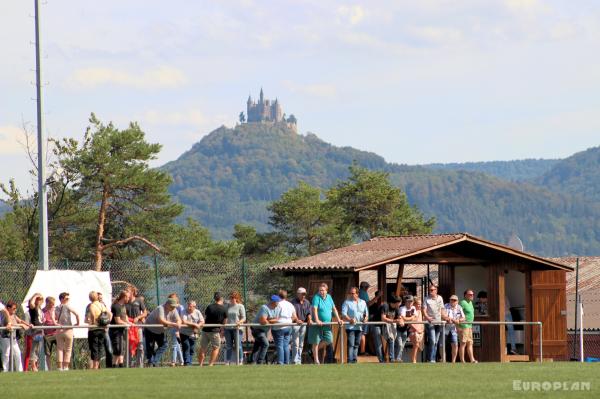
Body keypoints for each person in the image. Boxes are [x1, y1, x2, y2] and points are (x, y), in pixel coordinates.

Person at [309, 283, 343, 364]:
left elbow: (334, 309)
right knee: (316, 341)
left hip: (327, 324)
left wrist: (339, 319)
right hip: (316, 324)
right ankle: (316, 361)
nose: (321, 292)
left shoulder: (329, 297)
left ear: (326, 291)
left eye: (323, 290)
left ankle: (312, 351)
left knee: (329, 339)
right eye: (320, 290)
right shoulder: (316, 297)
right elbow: (314, 309)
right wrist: (317, 320)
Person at [144, 298, 180, 367]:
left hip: (160, 331)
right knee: (150, 347)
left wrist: (178, 323)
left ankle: (154, 361)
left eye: (174, 306)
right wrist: (174, 324)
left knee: (164, 345)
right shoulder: (160, 308)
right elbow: (161, 320)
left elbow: (178, 319)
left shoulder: (174, 309)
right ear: (167, 304)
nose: (173, 308)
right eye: (172, 306)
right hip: (150, 329)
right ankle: (151, 362)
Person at [198, 292, 228, 367]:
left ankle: (200, 364)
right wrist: (222, 329)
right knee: (216, 348)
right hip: (215, 331)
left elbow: (206, 317)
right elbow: (225, 322)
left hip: (205, 330)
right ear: (221, 299)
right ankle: (210, 364)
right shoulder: (224, 308)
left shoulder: (210, 307)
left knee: (203, 348)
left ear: (214, 298)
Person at [1, 300, 31, 372]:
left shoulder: (14, 315)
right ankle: (5, 370)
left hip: (13, 338)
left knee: (17, 353)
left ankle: (19, 370)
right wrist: (21, 325)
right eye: (13, 308)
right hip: (6, 338)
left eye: (15, 308)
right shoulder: (6, 315)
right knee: (6, 354)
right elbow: (11, 324)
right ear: (8, 308)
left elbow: (20, 320)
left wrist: (28, 324)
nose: (15, 310)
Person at [250, 295, 281, 364]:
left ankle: (251, 361)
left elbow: (277, 319)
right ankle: (260, 362)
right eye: (277, 301)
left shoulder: (277, 308)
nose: (278, 302)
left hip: (264, 330)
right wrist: (270, 320)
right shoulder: (264, 307)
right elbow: (262, 321)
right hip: (257, 329)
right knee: (265, 344)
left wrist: (268, 320)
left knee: (257, 345)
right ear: (273, 302)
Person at [85, 291, 112, 369]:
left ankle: (95, 366)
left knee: (94, 347)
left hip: (94, 329)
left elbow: (93, 314)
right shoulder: (101, 305)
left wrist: (93, 322)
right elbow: (109, 314)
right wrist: (107, 322)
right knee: (100, 347)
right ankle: (97, 365)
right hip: (102, 329)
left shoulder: (92, 305)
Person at [341, 287, 368, 363]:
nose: (351, 295)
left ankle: (354, 359)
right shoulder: (346, 302)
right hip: (350, 327)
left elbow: (366, 313)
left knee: (357, 344)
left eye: (353, 293)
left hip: (359, 327)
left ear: (357, 294)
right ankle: (350, 360)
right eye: (350, 293)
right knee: (351, 344)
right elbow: (343, 314)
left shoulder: (363, 302)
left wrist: (365, 318)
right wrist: (350, 319)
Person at [55, 292, 80, 371]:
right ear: (62, 299)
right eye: (66, 298)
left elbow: (55, 318)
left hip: (59, 329)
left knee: (59, 348)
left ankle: (59, 367)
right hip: (68, 328)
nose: (68, 300)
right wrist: (77, 323)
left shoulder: (56, 307)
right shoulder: (67, 306)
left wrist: (57, 324)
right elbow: (77, 314)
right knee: (68, 349)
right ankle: (66, 366)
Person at [272, 289, 297, 365]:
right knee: (286, 345)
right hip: (288, 326)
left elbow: (275, 316)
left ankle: (280, 362)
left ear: (278, 296)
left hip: (279, 326)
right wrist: (288, 320)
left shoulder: (278, 304)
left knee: (280, 345)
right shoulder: (290, 304)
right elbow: (295, 317)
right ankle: (287, 362)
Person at [125, 288, 147, 367]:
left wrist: (138, 317)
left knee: (140, 345)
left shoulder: (139, 301)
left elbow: (145, 313)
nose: (126, 292)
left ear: (132, 292)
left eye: (127, 291)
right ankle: (129, 365)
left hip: (138, 326)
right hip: (129, 327)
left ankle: (140, 365)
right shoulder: (125, 301)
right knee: (129, 346)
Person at [423, 284, 445, 363]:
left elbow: (442, 309)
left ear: (436, 290)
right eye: (430, 290)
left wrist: (445, 317)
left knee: (436, 341)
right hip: (430, 322)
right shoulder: (426, 299)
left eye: (432, 290)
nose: (431, 291)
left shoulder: (440, 298)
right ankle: (430, 358)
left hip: (438, 322)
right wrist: (427, 317)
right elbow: (424, 310)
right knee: (432, 340)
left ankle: (433, 358)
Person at [110, 290, 131, 367]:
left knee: (122, 349)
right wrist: (126, 324)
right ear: (124, 297)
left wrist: (129, 323)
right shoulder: (116, 306)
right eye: (128, 297)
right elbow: (118, 320)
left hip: (122, 331)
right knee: (117, 349)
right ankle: (114, 365)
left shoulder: (123, 306)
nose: (129, 298)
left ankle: (120, 365)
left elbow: (125, 318)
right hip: (115, 331)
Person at [290, 287, 312, 364]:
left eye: (304, 294)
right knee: (295, 343)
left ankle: (298, 361)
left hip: (303, 324)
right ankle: (294, 360)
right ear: (298, 294)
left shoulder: (307, 302)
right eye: (302, 294)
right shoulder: (292, 302)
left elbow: (309, 312)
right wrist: (296, 320)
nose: (303, 296)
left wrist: (309, 319)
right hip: (295, 324)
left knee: (301, 344)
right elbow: (291, 314)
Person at [24, 293, 44, 371]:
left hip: (40, 331)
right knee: (33, 349)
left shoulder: (40, 310)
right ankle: (33, 366)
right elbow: (31, 303)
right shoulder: (33, 309)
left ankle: (35, 365)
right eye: (38, 300)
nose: (39, 301)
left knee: (38, 349)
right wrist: (35, 295)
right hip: (34, 331)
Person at [225, 291, 246, 365]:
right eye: (231, 297)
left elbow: (244, 318)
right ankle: (227, 361)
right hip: (228, 329)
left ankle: (240, 360)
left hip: (237, 329)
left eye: (234, 297)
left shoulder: (240, 306)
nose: (232, 299)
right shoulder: (227, 306)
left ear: (237, 298)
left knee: (238, 345)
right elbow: (225, 317)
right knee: (228, 346)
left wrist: (239, 322)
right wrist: (223, 326)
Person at [180, 300, 204, 366]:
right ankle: (187, 363)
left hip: (193, 333)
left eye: (191, 306)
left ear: (194, 306)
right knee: (186, 347)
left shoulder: (197, 312)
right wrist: (194, 324)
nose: (189, 308)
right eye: (188, 306)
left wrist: (198, 325)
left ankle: (190, 363)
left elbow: (202, 321)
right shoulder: (183, 311)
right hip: (184, 333)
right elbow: (184, 321)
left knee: (192, 349)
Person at [443, 294, 465, 363]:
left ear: (457, 301)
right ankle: (443, 361)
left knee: (455, 344)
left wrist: (459, 320)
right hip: (445, 328)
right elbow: (442, 315)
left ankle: (453, 361)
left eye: (454, 300)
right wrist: (447, 318)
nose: (452, 301)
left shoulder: (459, 307)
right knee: (442, 344)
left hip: (454, 329)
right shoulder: (445, 306)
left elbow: (464, 318)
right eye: (451, 300)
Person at [380, 295, 402, 362]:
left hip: (391, 325)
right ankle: (391, 358)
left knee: (392, 340)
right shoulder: (385, 306)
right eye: (399, 303)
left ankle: (392, 358)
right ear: (395, 303)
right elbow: (383, 318)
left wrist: (401, 321)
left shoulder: (397, 308)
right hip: (379, 325)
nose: (400, 305)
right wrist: (394, 321)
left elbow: (399, 317)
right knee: (389, 340)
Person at [459, 289, 477, 363]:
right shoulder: (462, 302)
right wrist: (459, 325)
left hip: (469, 326)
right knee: (463, 343)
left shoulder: (470, 303)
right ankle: (462, 360)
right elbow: (458, 312)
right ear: (465, 295)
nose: (472, 296)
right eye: (470, 294)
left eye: (472, 294)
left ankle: (472, 359)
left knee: (470, 343)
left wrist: (471, 325)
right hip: (464, 325)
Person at [398, 295, 417, 363]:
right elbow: (404, 318)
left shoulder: (413, 308)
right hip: (399, 329)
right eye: (408, 301)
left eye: (411, 301)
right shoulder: (402, 308)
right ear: (405, 302)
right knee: (399, 344)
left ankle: (398, 359)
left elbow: (415, 318)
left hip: (406, 329)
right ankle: (396, 358)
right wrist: (411, 318)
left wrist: (409, 319)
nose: (409, 303)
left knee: (402, 345)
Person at [166, 293, 184, 367]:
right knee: (177, 345)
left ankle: (173, 362)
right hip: (172, 327)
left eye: (173, 298)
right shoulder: (169, 306)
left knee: (174, 345)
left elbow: (181, 318)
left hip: (177, 328)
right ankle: (182, 361)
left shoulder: (180, 307)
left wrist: (178, 330)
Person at [97, 292, 113, 368]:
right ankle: (97, 367)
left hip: (105, 330)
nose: (101, 299)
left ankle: (109, 367)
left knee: (109, 350)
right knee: (98, 350)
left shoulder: (103, 305)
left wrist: (107, 322)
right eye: (99, 298)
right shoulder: (93, 306)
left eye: (101, 298)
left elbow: (110, 314)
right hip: (96, 330)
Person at [42, 296, 59, 370]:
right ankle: (50, 369)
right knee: (48, 353)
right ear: (47, 303)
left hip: (56, 333)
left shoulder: (55, 310)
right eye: (52, 304)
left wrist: (55, 322)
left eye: (53, 304)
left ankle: (60, 367)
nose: (53, 305)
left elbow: (59, 319)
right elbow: (41, 322)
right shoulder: (42, 311)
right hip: (47, 335)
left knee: (60, 350)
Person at [368, 290, 385, 363]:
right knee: (378, 343)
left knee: (387, 341)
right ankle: (380, 359)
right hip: (375, 325)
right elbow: (368, 304)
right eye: (379, 296)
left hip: (383, 325)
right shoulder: (373, 305)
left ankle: (388, 357)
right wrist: (377, 296)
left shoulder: (384, 305)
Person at [409, 298, 425, 363]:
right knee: (416, 345)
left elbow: (421, 322)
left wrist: (422, 329)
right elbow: (410, 322)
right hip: (413, 331)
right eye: (418, 304)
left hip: (420, 331)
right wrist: (417, 329)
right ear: (414, 304)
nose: (419, 305)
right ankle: (413, 360)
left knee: (418, 347)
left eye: (420, 304)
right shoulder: (412, 311)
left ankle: (414, 358)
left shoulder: (420, 311)